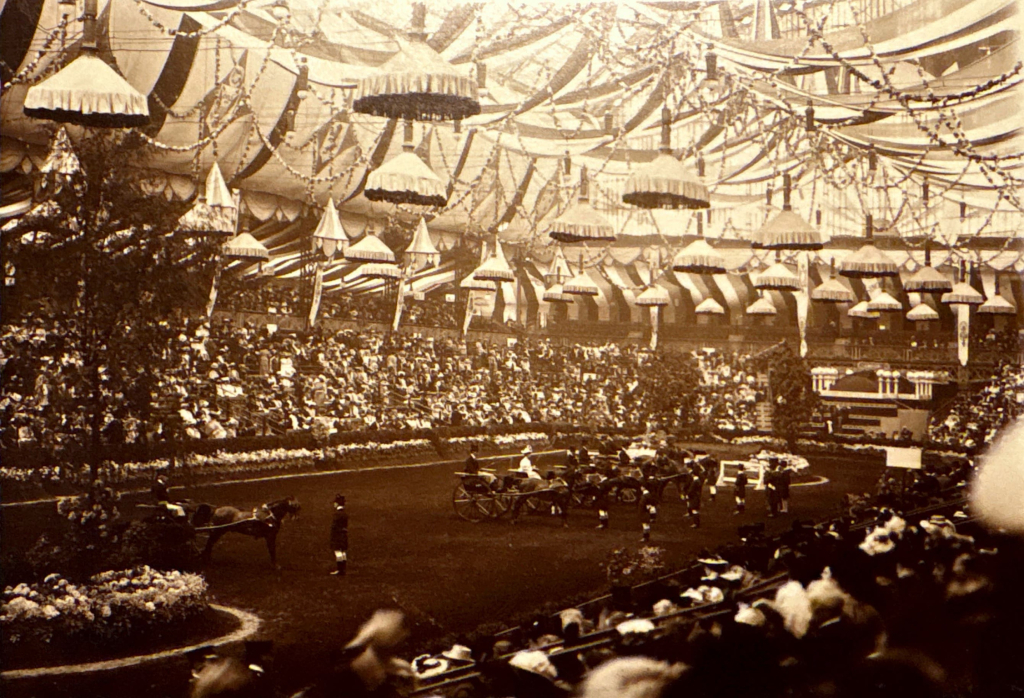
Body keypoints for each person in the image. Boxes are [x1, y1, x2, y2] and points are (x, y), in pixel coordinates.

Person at [330, 494, 349, 576]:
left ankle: (340, 570)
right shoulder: (344, 513)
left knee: (338, 551)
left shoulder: (337, 514)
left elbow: (334, 526)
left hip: (338, 535)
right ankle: (343, 569)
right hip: (344, 534)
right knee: (343, 551)